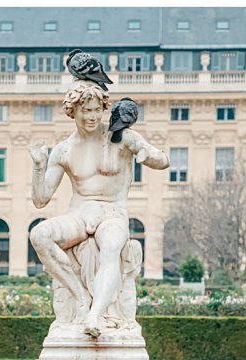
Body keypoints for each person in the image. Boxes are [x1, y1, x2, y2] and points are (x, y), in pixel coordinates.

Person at [29, 80, 169, 337]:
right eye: (87, 111)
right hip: (79, 214)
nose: (93, 116)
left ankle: (95, 314)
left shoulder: (121, 137)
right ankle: (81, 296)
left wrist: (147, 155)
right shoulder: (63, 150)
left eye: (97, 110)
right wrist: (39, 166)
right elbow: (41, 199)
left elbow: (163, 160)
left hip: (112, 212)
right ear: (73, 111)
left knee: (112, 245)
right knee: (39, 235)